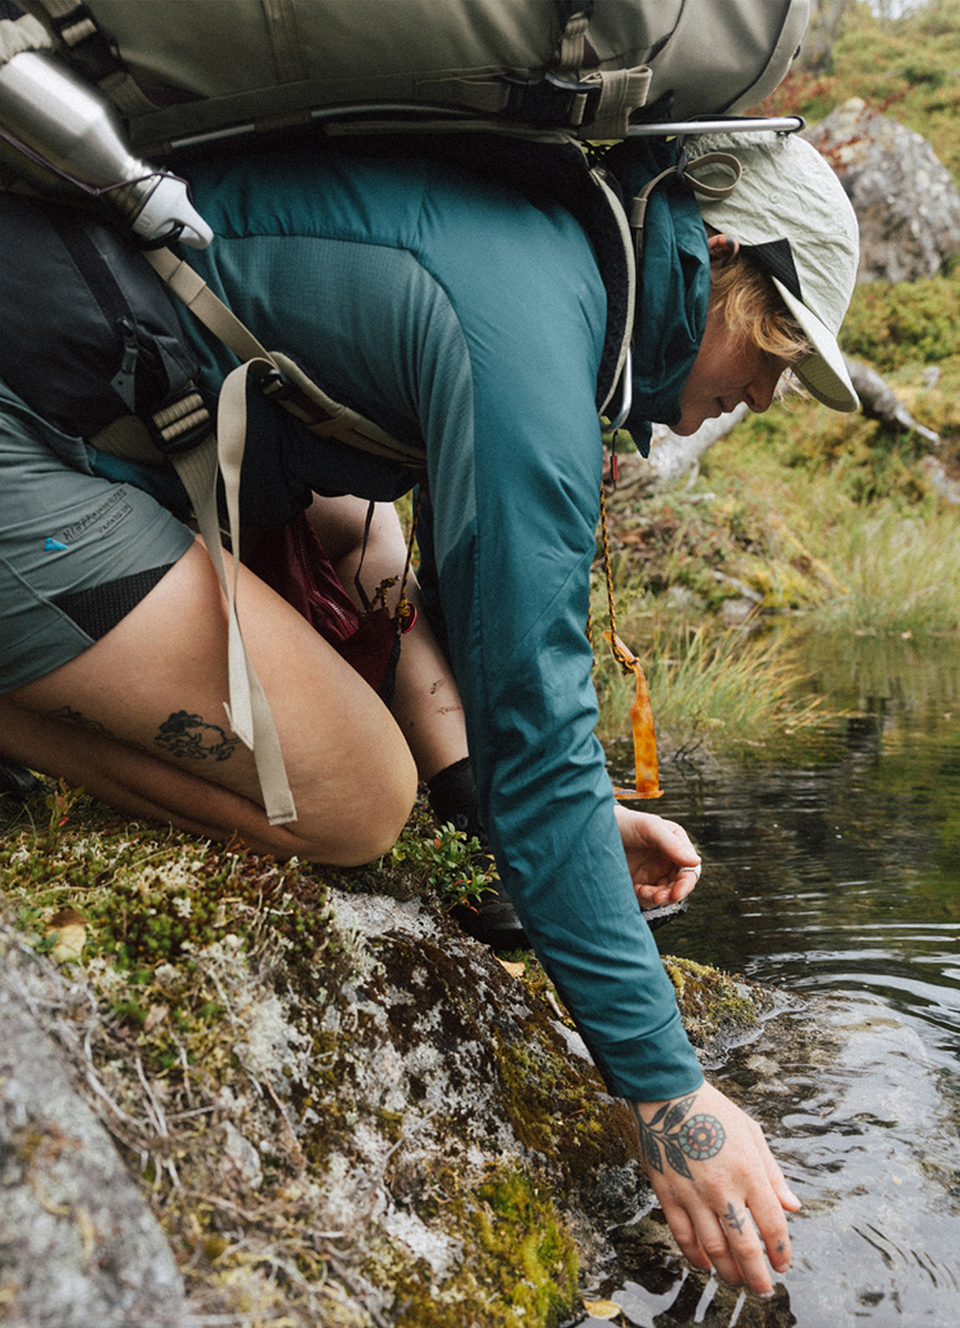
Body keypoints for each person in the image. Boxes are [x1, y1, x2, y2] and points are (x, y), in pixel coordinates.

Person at [0, 124, 859, 1296]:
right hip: (26, 434)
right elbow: (539, 723)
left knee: (374, 537)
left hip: (103, 394)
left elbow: (496, 642)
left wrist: (569, 817)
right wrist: (670, 1095)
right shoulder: (532, 341)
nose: (763, 391)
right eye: (775, 348)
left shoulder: (543, 262)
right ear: (716, 258)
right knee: (358, 796)